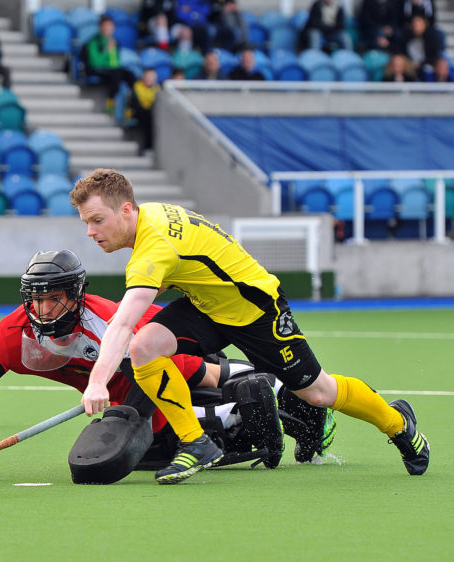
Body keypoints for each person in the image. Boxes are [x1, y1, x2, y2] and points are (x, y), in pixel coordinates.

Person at [69, 168, 429, 483]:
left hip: (255, 310)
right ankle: (196, 443)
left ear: (127, 209)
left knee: (318, 392)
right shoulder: (150, 217)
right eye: (86, 221)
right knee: (145, 347)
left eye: (97, 220)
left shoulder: (153, 248)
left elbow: (122, 323)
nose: (90, 231)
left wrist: (98, 381)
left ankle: (399, 425)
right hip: (207, 304)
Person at [0, 250, 309, 472]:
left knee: (200, 377)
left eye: (53, 297)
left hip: (163, 350)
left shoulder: (105, 323)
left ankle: (262, 398)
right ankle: (246, 406)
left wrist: (126, 424)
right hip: (128, 382)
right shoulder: (13, 334)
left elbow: (151, 379)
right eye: (36, 298)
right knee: (149, 454)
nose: (44, 307)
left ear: (75, 295)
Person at [82, 15, 137, 113]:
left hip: (112, 70)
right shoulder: (94, 42)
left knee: (130, 75)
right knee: (117, 73)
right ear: (100, 27)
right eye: (105, 26)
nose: (108, 28)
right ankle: (110, 101)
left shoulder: (114, 42)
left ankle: (132, 103)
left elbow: (116, 62)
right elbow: (94, 61)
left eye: (110, 26)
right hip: (96, 69)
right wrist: (106, 51)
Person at [127, 67, 160, 154]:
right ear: (144, 77)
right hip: (136, 113)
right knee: (147, 119)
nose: (151, 78)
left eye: (153, 76)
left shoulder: (158, 89)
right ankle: (147, 148)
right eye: (149, 76)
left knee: (151, 118)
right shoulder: (137, 87)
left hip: (151, 114)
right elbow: (135, 104)